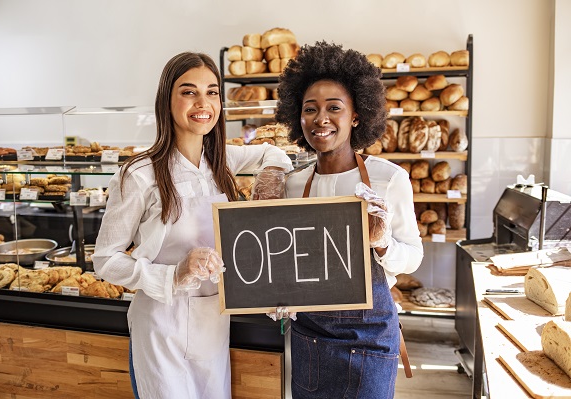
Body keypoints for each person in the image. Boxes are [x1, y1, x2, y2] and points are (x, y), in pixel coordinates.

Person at [92, 52, 293, 399]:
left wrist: (272, 175)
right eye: (189, 92)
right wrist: (174, 274)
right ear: (166, 100)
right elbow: (105, 260)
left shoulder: (221, 160)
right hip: (161, 327)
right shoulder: (139, 175)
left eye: (212, 92)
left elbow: (272, 152)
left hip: (213, 322)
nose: (203, 103)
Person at [274, 41, 424, 398]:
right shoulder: (294, 184)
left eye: (334, 108)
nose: (320, 119)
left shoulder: (389, 179)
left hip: (371, 339)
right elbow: (288, 261)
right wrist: (277, 293)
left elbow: (414, 255)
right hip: (311, 338)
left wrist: (383, 243)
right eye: (310, 109)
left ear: (356, 115)